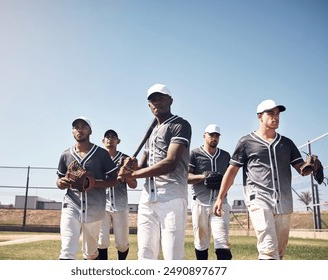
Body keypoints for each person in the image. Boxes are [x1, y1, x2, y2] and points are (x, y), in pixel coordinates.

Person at [213, 100, 313, 260]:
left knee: (279, 252)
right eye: (271, 114)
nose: (276, 117)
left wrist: (311, 167)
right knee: (268, 248)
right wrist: (219, 198)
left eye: (278, 114)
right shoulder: (246, 142)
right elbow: (231, 171)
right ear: (260, 117)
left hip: (284, 201)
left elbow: (301, 169)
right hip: (258, 199)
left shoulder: (287, 143)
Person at [118, 83, 192, 260]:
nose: (157, 102)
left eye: (161, 97)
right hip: (148, 198)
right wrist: (130, 166)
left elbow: (170, 163)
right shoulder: (151, 132)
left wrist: (133, 174)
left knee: (172, 256)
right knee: (145, 253)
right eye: (152, 99)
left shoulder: (180, 125)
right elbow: (142, 168)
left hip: (172, 196)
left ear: (170, 100)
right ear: (148, 105)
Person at [56, 116, 119, 260]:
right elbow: (59, 180)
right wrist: (61, 183)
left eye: (84, 127)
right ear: (72, 131)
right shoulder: (65, 155)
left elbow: (115, 180)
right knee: (66, 250)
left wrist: (93, 183)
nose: (80, 130)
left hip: (94, 207)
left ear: (90, 131)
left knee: (90, 253)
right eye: (76, 127)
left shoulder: (101, 154)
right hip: (71, 205)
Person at [188, 124, 232, 260]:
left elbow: (230, 177)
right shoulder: (194, 154)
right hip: (200, 203)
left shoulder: (225, 155)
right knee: (201, 242)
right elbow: (186, 177)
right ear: (204, 136)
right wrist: (204, 176)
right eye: (211, 135)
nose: (214, 138)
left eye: (216, 136)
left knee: (222, 241)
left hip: (220, 204)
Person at [97, 129, 138, 260]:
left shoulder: (125, 159)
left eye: (113, 137)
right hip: (102, 205)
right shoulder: (98, 160)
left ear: (118, 141)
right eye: (107, 137)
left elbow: (134, 184)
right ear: (103, 141)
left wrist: (126, 175)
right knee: (101, 242)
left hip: (120, 205)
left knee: (122, 244)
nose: (110, 139)